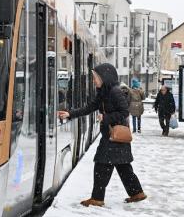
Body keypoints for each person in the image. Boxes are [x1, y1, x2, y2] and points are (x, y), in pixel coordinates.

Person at [58, 63, 146, 207]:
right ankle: (136, 193)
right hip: (112, 137)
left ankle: (98, 198)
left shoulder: (115, 92)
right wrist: (70, 114)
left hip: (114, 137)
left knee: (101, 165)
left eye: (96, 78)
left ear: (105, 77)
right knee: (123, 166)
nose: (94, 81)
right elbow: (90, 107)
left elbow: (124, 112)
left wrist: (106, 118)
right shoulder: (104, 92)